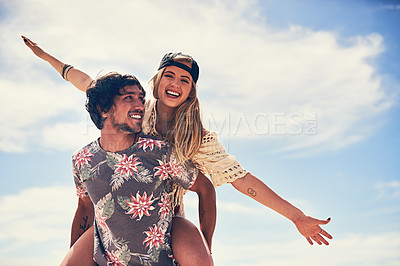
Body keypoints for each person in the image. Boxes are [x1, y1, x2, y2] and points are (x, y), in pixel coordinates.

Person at [23, 36, 332, 259]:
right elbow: (87, 82)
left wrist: (296, 216)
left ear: (191, 91)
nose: (175, 82)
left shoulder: (197, 138)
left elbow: (242, 180)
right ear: (157, 81)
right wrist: (47, 57)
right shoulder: (133, 109)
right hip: (115, 216)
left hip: (165, 217)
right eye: (169, 75)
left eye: (184, 79)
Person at [61, 71, 214, 265]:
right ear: (103, 109)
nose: (140, 105)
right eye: (129, 98)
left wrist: (206, 246)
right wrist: (75, 253)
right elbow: (84, 206)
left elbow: (205, 188)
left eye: (141, 98)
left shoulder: (160, 152)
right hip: (110, 259)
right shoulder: (83, 160)